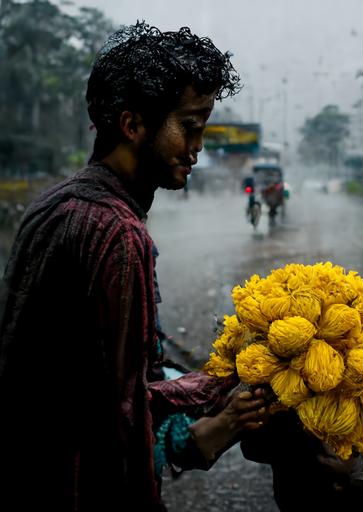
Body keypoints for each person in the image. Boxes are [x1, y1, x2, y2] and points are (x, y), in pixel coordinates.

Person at [0, 22, 267, 512]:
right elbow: (118, 419)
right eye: (189, 125)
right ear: (133, 124)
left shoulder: (53, 204)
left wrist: (215, 384)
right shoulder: (119, 235)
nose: (199, 146)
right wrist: (205, 431)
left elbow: (89, 381)